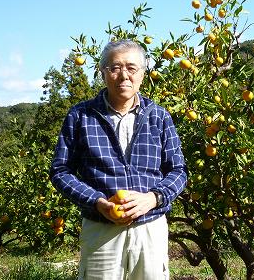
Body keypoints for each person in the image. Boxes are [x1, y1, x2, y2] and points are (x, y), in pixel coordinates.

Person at [50, 39, 187, 279]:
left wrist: (153, 198)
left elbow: (178, 170)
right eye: (115, 68)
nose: (124, 75)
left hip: (150, 228)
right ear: (103, 73)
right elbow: (60, 170)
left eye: (132, 68)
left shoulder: (159, 116)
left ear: (143, 74)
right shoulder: (81, 116)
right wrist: (96, 201)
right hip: (101, 230)